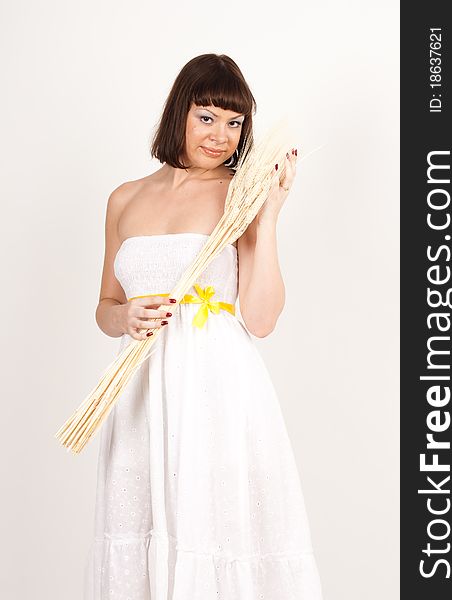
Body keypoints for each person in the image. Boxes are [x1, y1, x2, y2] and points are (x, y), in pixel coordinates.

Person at [84, 53, 323, 599]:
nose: (220, 136)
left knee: (212, 528)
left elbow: (261, 320)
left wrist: (270, 215)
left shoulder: (242, 194)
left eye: (234, 122)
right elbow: (104, 305)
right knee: (139, 526)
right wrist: (124, 316)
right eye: (207, 117)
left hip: (216, 385)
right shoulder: (123, 198)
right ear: (179, 115)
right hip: (139, 390)